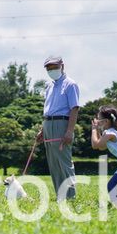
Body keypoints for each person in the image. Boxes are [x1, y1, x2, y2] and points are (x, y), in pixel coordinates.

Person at [36, 55, 80, 201]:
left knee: (63, 161)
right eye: (49, 68)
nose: (52, 70)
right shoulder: (49, 86)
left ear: (62, 66)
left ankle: (71, 196)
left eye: (55, 67)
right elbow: (49, 109)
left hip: (62, 124)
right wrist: (43, 130)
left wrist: (69, 131)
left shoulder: (70, 84)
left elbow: (74, 109)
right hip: (48, 123)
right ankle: (60, 195)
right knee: (53, 163)